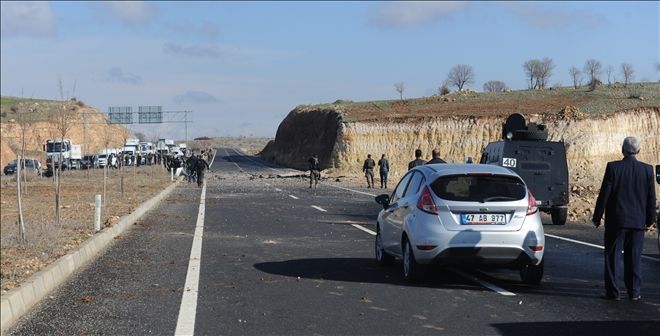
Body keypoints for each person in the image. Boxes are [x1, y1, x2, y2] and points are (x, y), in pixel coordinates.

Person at [592, 136, 656, 301]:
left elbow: (604, 194)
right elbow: (651, 198)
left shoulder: (613, 167)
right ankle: (634, 292)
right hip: (637, 222)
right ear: (638, 150)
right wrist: (650, 219)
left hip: (617, 221)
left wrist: (597, 216)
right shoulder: (648, 170)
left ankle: (613, 292)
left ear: (623, 150)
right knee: (634, 257)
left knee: (613, 256)